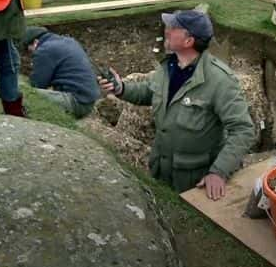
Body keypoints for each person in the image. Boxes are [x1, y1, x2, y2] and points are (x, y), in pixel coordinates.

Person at [99, 10, 254, 200]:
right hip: (161, 172)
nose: (166, 30)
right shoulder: (168, 67)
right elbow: (149, 92)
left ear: (188, 41)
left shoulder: (220, 81)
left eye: (173, 28)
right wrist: (121, 88)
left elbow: (243, 130)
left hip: (193, 183)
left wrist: (218, 172)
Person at [22, 26, 100, 118]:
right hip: (88, 100)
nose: (31, 54)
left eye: (29, 50)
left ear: (35, 42)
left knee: (27, 95)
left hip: (77, 102)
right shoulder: (69, 41)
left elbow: (37, 84)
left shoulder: (44, 50)